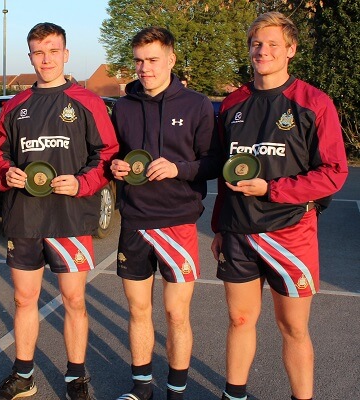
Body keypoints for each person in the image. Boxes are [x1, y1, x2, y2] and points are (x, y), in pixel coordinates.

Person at [210, 12, 348, 400]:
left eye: (272, 44)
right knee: (239, 319)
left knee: (293, 328)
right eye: (257, 43)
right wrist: (220, 225)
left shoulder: (313, 102)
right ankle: (233, 394)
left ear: (291, 50)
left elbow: (334, 172)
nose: (263, 50)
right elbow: (224, 172)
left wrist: (271, 189)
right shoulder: (233, 103)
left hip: (290, 233)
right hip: (238, 232)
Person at [0, 22, 118, 400]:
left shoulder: (86, 101)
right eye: (38, 52)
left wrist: (83, 183)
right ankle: (24, 375)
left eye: (52, 50)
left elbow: (107, 153)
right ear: (30, 57)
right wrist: (4, 171)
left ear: (66, 54)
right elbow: (0, 152)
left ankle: (76, 378)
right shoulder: (16, 105)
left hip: (70, 218)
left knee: (74, 300)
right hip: (25, 216)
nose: (46, 59)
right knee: (24, 299)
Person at [109, 27, 219, 400]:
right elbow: (112, 154)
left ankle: (176, 391)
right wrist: (115, 167)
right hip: (135, 221)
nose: (145, 68)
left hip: (178, 222)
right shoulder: (122, 107)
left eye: (153, 60)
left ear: (171, 60)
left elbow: (214, 162)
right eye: (139, 61)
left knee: (175, 314)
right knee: (139, 310)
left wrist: (178, 169)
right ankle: (141, 388)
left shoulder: (197, 104)